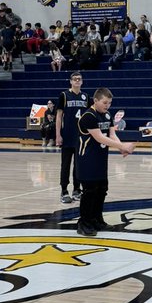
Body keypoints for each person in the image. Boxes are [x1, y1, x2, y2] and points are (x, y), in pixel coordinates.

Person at [74, 88, 135, 235]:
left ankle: (97, 220)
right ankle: (84, 223)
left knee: (101, 190)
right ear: (95, 101)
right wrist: (122, 146)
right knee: (89, 191)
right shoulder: (88, 115)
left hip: (101, 159)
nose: (107, 106)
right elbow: (100, 138)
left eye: (109, 103)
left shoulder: (107, 115)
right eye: (105, 103)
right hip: (86, 160)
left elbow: (111, 134)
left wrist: (121, 148)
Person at [55, 72, 89, 204]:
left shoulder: (85, 96)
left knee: (79, 165)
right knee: (66, 164)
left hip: (81, 137)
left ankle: (76, 189)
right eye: (75, 79)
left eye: (79, 79)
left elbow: (88, 116)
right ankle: (64, 191)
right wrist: (58, 135)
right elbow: (59, 116)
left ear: (82, 82)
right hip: (67, 135)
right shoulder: (64, 95)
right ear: (70, 81)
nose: (77, 81)